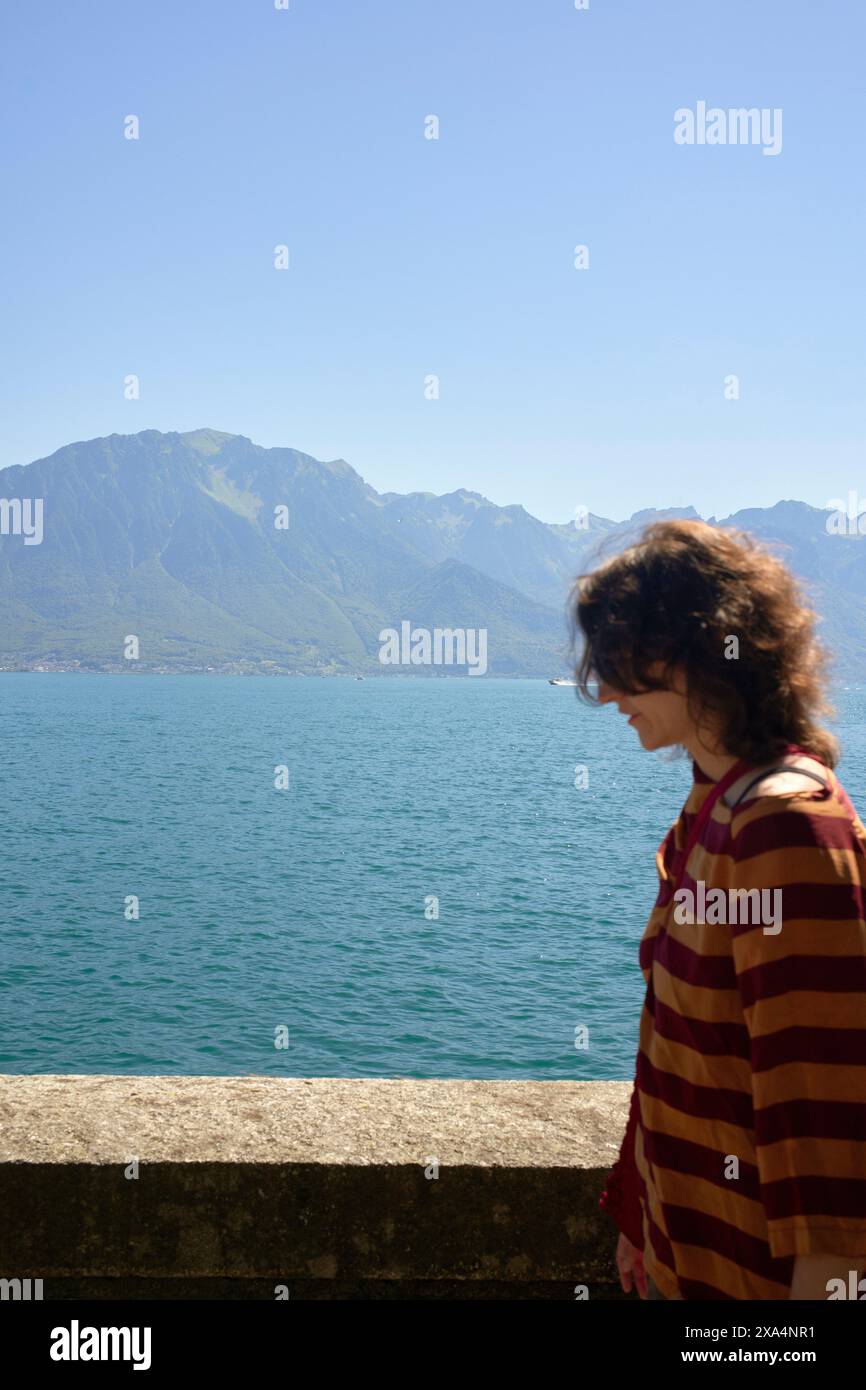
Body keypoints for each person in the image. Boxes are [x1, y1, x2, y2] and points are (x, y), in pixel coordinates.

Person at [571, 519, 866, 1300]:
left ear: (698, 656)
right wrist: (642, 1217)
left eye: (623, 665)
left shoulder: (785, 828)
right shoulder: (713, 808)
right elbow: (682, 1048)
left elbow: (830, 1132)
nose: (605, 692)